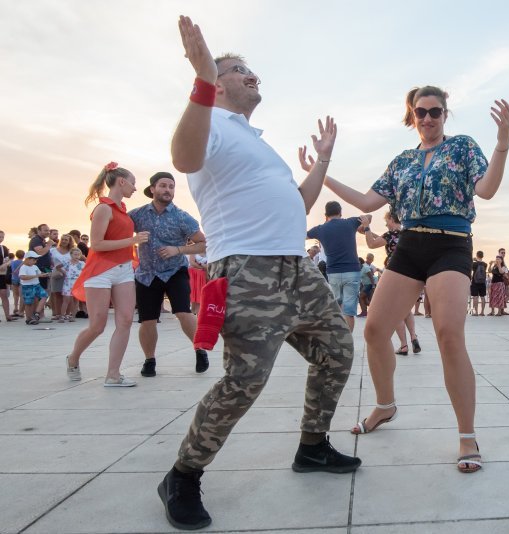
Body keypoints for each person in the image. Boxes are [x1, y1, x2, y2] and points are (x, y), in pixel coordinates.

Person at [158, 17, 360, 530]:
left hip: (296, 267)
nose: (253, 77)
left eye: (252, 70)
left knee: (337, 350)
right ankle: (182, 475)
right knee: (246, 378)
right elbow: (182, 158)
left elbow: (298, 205)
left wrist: (322, 163)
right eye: (239, 70)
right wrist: (203, 78)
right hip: (247, 268)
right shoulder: (210, 123)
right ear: (217, 81)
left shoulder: (257, 141)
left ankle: (313, 447)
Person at [319, 84, 509, 473]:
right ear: (412, 116)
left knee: (448, 334)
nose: (427, 118)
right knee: (374, 330)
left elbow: (486, 190)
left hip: (451, 244)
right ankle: (385, 405)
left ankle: (466, 434)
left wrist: (502, 144)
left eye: (435, 112)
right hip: (408, 246)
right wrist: (322, 170)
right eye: (420, 112)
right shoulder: (403, 160)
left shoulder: (462, 148)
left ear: (445, 114)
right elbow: (368, 202)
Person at [66, 162, 149, 386]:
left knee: (125, 320)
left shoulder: (123, 212)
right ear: (121, 182)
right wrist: (133, 240)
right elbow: (98, 244)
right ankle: (73, 358)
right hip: (100, 272)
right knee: (98, 325)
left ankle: (113, 374)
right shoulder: (103, 208)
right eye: (133, 183)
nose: (134, 188)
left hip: (123, 271)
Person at [129, 171, 209, 377]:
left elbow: (203, 243)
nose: (167, 190)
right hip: (147, 274)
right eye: (163, 185)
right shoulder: (137, 215)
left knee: (183, 312)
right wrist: (133, 240)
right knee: (147, 320)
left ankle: (200, 349)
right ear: (153, 189)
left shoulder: (182, 217)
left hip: (175, 271)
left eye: (171, 186)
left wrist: (179, 250)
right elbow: (118, 228)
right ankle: (150, 360)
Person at [358, 210, 421, 355]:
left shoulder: (390, 235)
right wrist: (371, 233)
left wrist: (367, 227)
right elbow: (385, 239)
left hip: (395, 273)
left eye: (387, 221)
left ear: (392, 219)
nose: (386, 224)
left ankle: (404, 345)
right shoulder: (408, 233)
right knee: (406, 309)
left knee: (395, 311)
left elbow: (371, 244)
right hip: (412, 273)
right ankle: (413, 337)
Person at [306, 200, 366, 331]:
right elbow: (368, 217)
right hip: (352, 271)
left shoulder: (320, 229)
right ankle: (348, 344)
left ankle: (339, 342)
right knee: (349, 311)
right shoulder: (350, 222)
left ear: (326, 214)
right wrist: (364, 227)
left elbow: (303, 236)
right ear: (340, 212)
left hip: (333, 272)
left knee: (337, 309)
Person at [19, 251, 50, 324]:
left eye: (36, 260)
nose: (35, 261)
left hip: (36, 285)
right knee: (28, 303)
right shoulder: (23, 267)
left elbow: (39, 274)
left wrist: (45, 274)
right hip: (27, 286)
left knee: (44, 295)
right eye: (34, 260)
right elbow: (22, 277)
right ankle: (29, 318)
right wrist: (36, 276)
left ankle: (37, 312)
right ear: (27, 259)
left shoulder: (35, 266)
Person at [29, 224, 56, 296]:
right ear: (38, 231)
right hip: (39, 268)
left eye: (48, 230)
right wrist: (49, 245)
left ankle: (41, 307)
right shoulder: (36, 239)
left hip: (43, 268)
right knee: (40, 293)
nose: (48, 232)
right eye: (45, 230)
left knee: (43, 291)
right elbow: (40, 252)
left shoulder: (42, 240)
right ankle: (39, 307)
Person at [470, 250, 488, 316]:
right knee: (482, 297)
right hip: (482, 282)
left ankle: (476, 312)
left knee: (475, 297)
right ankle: (482, 312)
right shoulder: (485, 264)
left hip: (475, 282)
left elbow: (471, 267)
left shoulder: (474, 264)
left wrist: (473, 259)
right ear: (482, 256)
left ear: (477, 255)